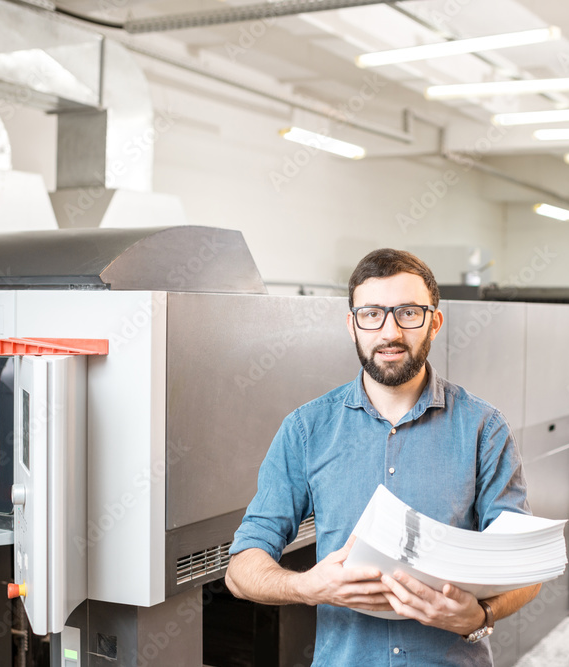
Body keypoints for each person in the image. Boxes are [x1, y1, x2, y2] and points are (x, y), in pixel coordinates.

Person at [226, 248, 539, 666]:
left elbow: (525, 567)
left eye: (408, 313)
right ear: (353, 325)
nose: (389, 331)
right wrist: (309, 587)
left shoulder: (484, 428)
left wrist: (481, 614)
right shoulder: (306, 430)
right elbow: (241, 569)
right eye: (371, 313)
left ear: (435, 322)